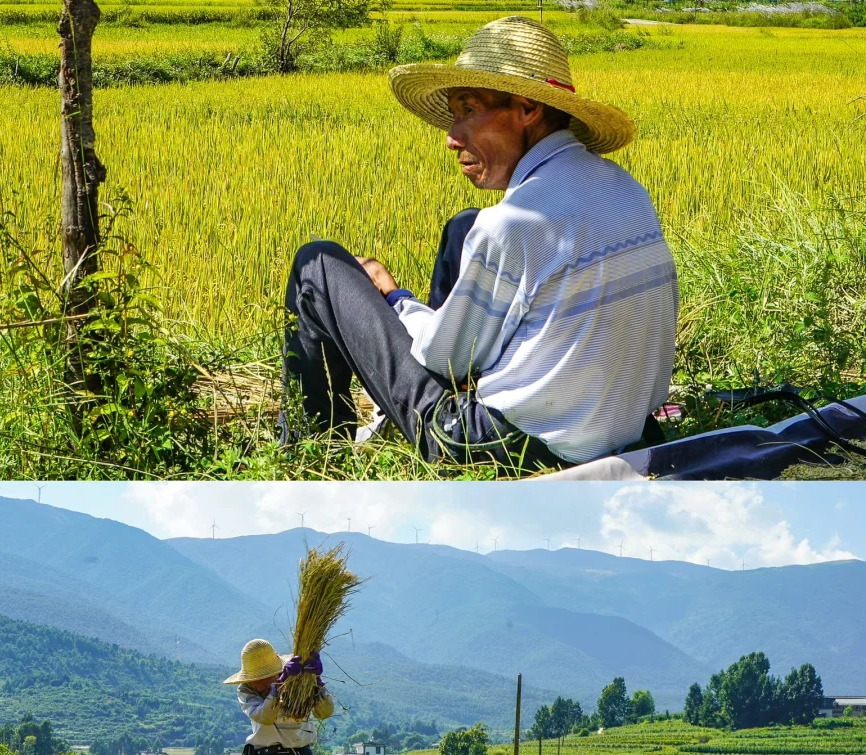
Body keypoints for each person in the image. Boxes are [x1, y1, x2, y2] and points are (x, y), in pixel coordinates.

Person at [281, 16, 678, 473]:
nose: (452, 139)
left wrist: (393, 298)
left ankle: (310, 457)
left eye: (467, 110)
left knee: (318, 266)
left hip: (516, 447)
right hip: (623, 430)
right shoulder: (628, 191)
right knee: (463, 227)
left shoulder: (511, 224)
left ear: (527, 108)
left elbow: (443, 358)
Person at [223, 638, 334, 755]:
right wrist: (279, 685)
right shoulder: (246, 689)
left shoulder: (299, 681)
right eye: (254, 679)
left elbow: (325, 713)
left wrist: (317, 682)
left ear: (276, 671)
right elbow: (265, 716)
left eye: (263, 678)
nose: (258, 685)